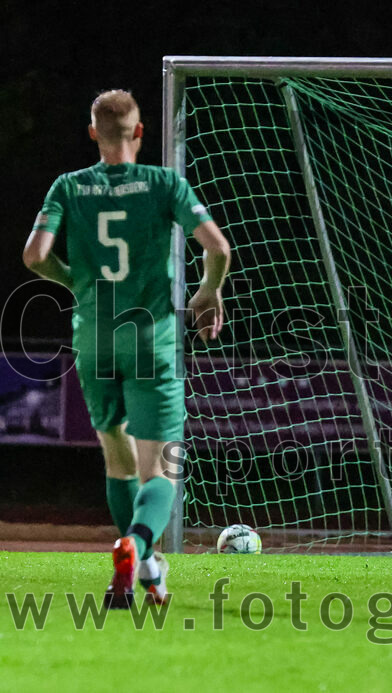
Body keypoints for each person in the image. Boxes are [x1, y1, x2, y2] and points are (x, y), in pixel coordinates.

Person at [23, 90, 231, 608]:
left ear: (93, 133)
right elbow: (218, 247)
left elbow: (35, 256)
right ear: (139, 132)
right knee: (161, 469)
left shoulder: (68, 186)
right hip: (148, 337)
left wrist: (76, 282)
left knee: (117, 460)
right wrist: (208, 291)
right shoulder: (164, 183)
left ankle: (147, 572)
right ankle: (136, 546)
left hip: (94, 337)